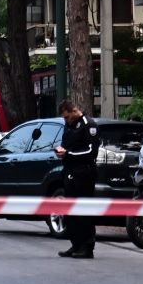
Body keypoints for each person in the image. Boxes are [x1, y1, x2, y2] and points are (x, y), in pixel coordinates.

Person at [54, 99, 100, 259]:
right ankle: (76, 244)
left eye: (67, 117)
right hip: (70, 171)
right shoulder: (69, 125)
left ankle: (87, 247)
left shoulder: (89, 125)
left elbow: (91, 151)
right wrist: (61, 151)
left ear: (74, 111)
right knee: (70, 211)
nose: (66, 120)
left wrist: (69, 154)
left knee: (84, 211)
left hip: (84, 173)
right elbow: (67, 144)